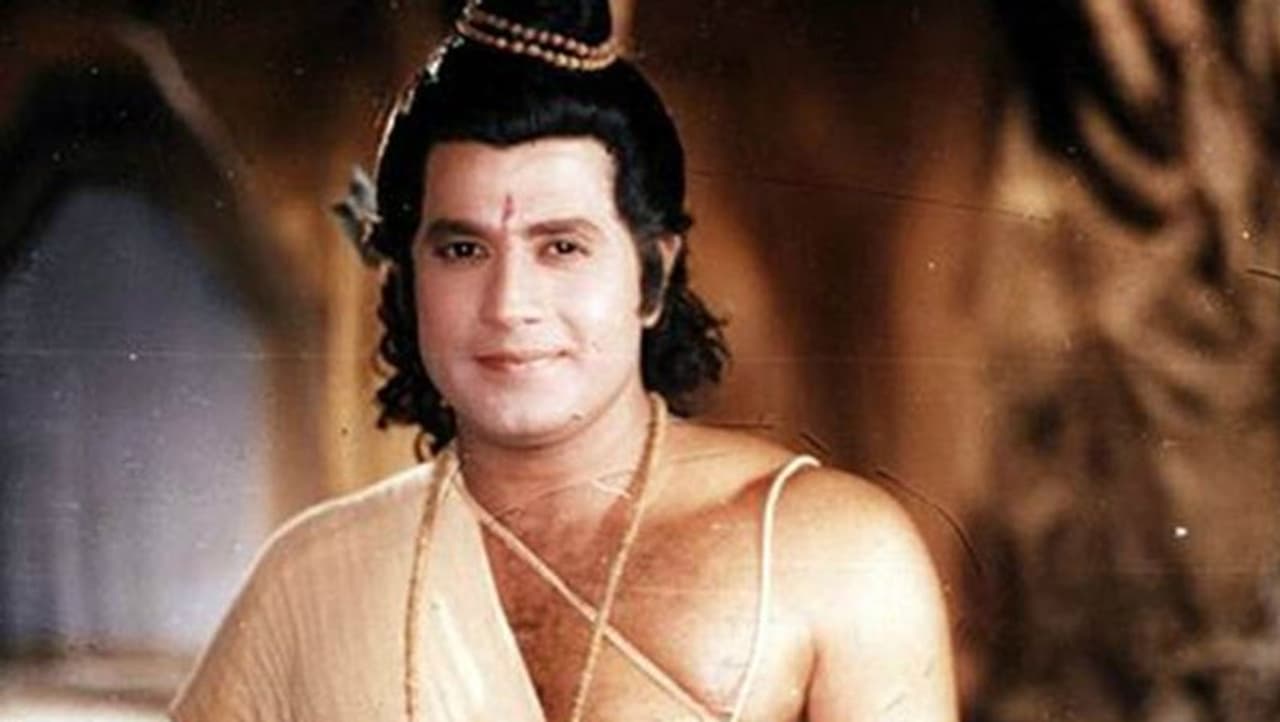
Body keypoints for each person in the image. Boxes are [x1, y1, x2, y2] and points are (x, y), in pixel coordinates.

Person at [169, 1, 957, 720]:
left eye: (562, 247)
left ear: (652, 277)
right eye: (463, 249)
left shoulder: (834, 555)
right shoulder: (313, 577)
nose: (510, 303)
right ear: (408, 284)